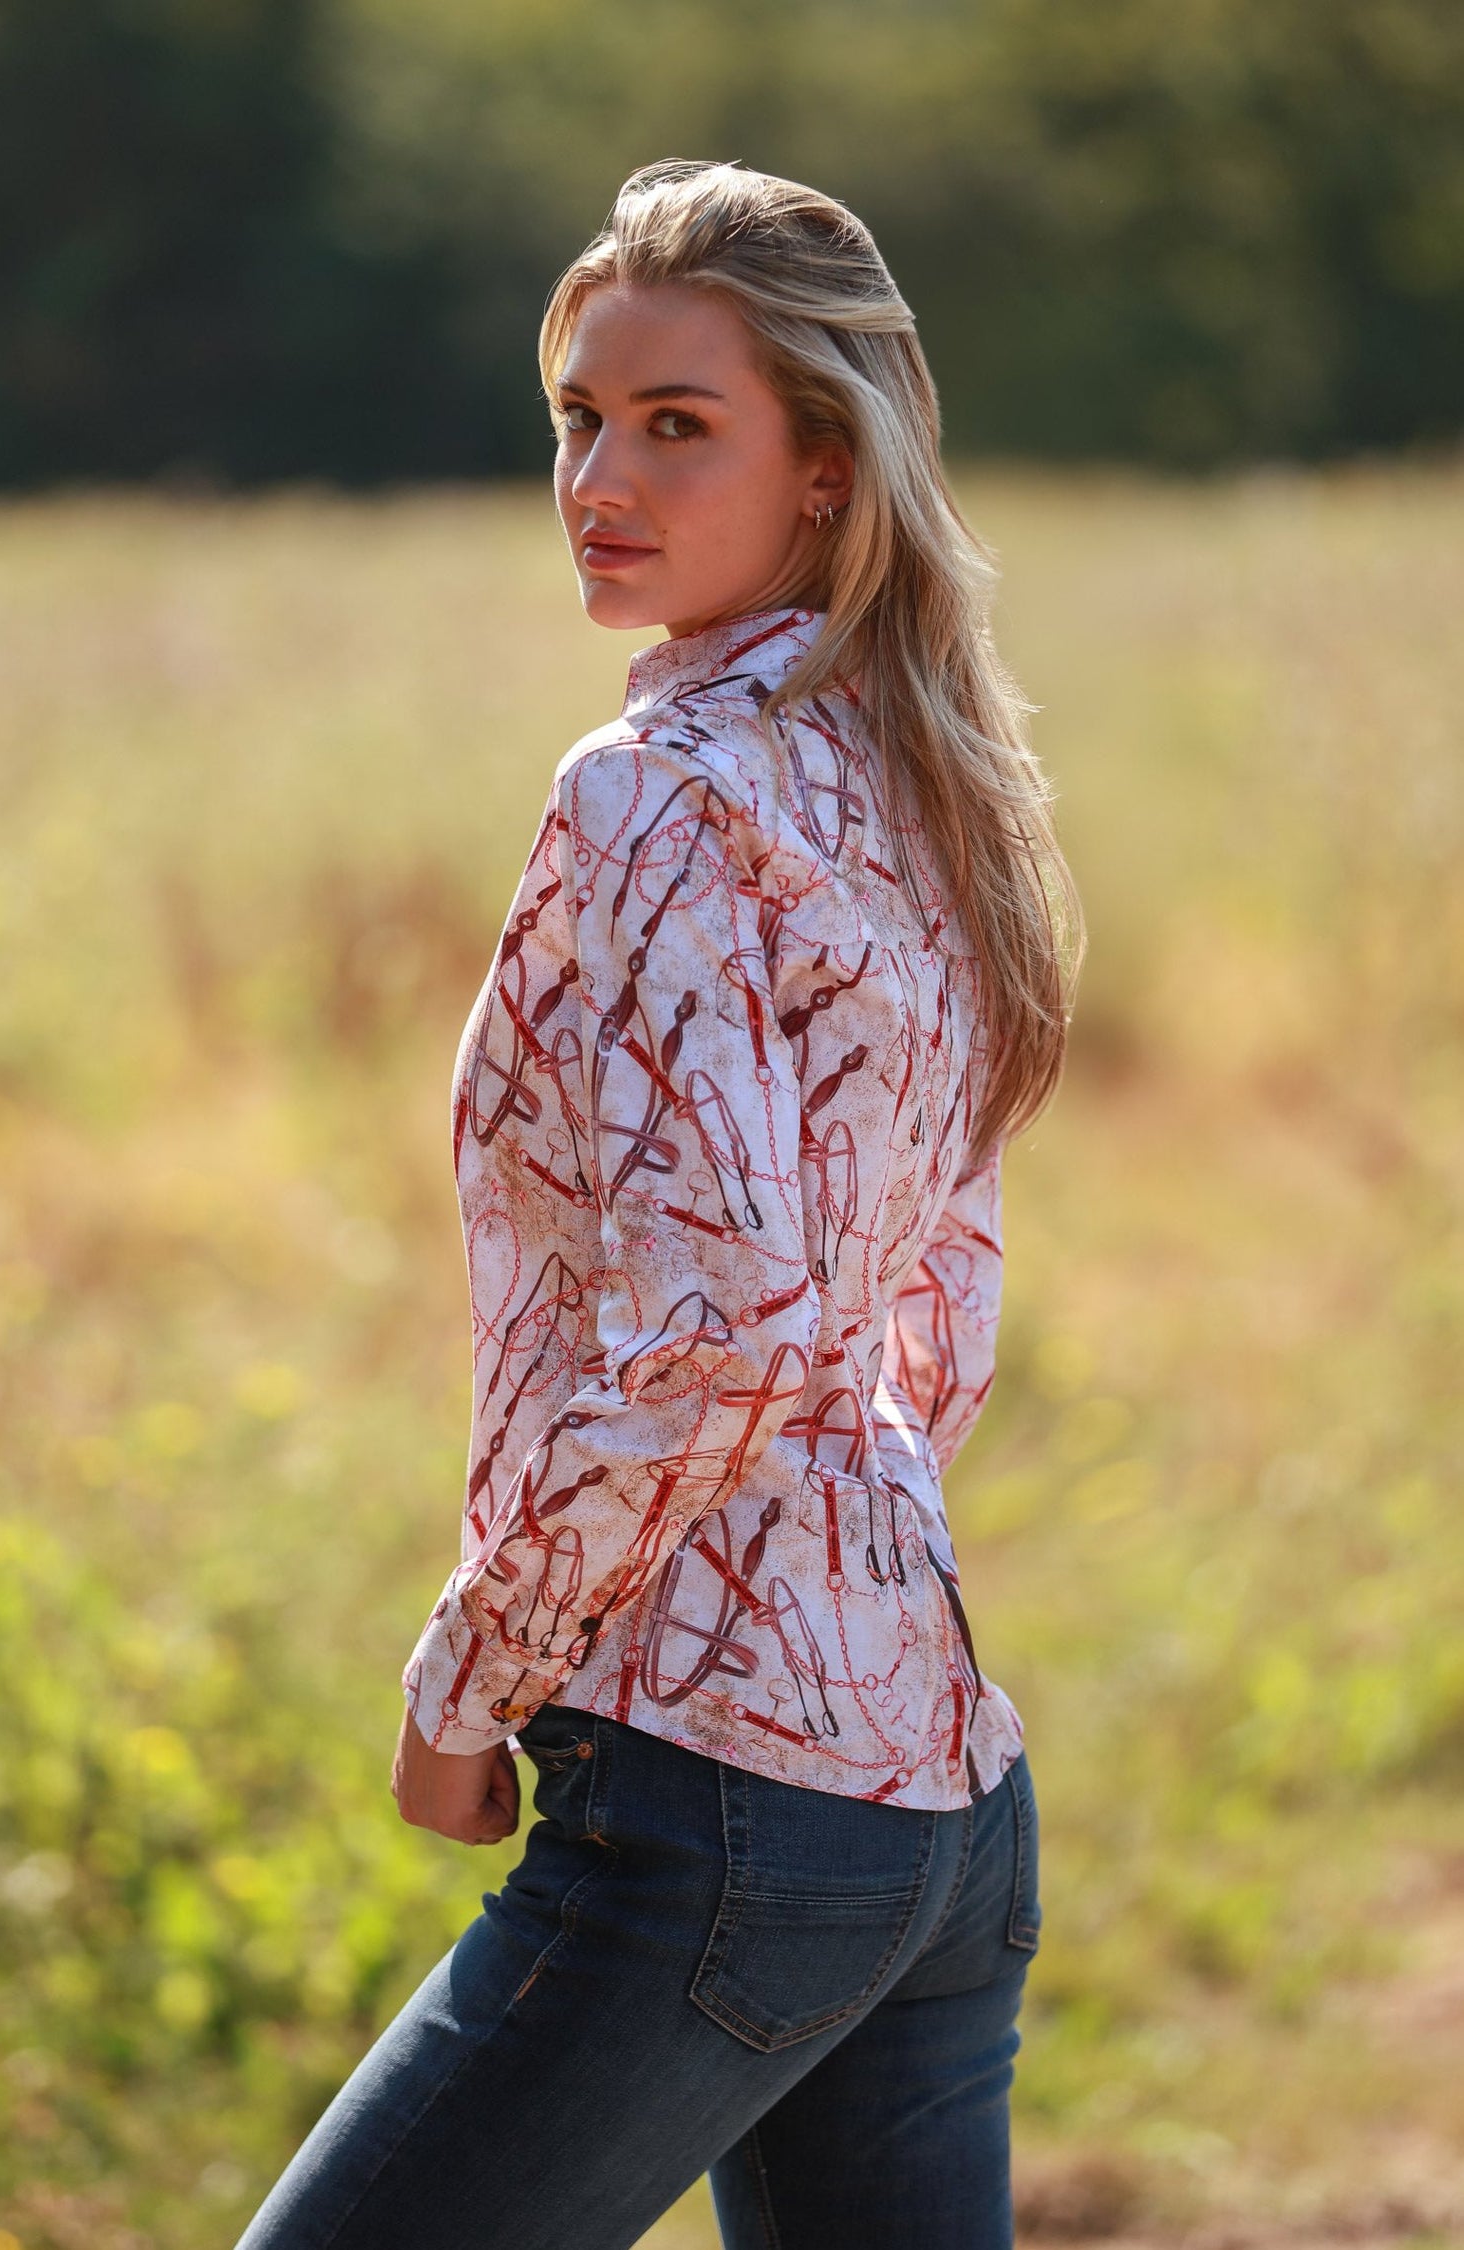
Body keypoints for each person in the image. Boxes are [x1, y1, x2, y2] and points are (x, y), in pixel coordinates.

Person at [235, 158, 1083, 2250]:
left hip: (717, 1799)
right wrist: (843, 1588)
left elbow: (731, 1329)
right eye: (578, 419)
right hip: (936, 1795)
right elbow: (932, 1300)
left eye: (675, 424)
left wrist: (471, 1679)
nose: (599, 475)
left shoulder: (661, 797)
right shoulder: (913, 764)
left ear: (822, 468)